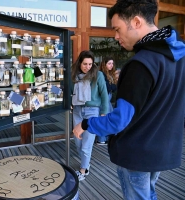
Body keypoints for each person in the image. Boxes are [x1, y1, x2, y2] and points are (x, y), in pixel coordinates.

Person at [73, 0, 185, 199]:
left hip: (138, 151)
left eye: (118, 29)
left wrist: (86, 123)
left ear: (136, 22)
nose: (116, 37)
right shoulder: (180, 57)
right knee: (148, 194)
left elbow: (119, 121)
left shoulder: (140, 64)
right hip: (163, 148)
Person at [71, 50, 108, 181]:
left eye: (90, 64)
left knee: (87, 144)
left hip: (92, 111)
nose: (87, 67)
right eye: (85, 64)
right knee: (78, 141)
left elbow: (104, 94)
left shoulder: (98, 75)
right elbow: (70, 91)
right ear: (79, 63)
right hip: (77, 110)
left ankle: (84, 169)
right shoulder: (74, 75)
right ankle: (85, 163)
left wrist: (104, 112)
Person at [96, 57, 117, 145]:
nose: (111, 65)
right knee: (104, 117)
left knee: (108, 117)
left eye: (112, 63)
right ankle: (101, 139)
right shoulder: (101, 74)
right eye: (109, 63)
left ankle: (106, 138)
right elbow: (108, 87)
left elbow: (114, 88)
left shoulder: (110, 74)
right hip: (103, 98)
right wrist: (113, 86)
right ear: (104, 64)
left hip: (108, 97)